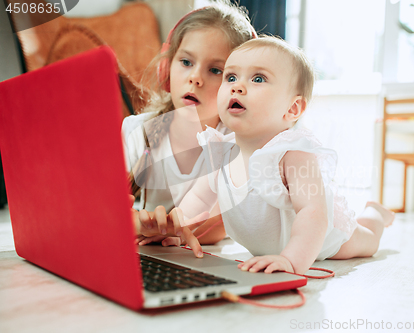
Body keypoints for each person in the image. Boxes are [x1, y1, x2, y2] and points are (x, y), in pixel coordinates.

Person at [138, 36, 395, 275]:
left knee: (367, 240)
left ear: (292, 108)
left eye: (258, 79)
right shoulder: (220, 152)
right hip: (274, 244)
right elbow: (197, 201)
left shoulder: (292, 154)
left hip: (323, 239)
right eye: (230, 77)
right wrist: (177, 230)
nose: (237, 86)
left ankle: (376, 215)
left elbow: (312, 212)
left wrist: (291, 260)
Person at [123, 1, 256, 256]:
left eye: (216, 70)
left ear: (237, 88)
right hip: (157, 254)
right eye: (186, 62)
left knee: (347, 235)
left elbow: (220, 224)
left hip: (199, 254)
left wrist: (161, 229)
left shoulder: (235, 143)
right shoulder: (137, 130)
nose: (195, 77)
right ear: (166, 69)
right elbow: (105, 207)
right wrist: (139, 223)